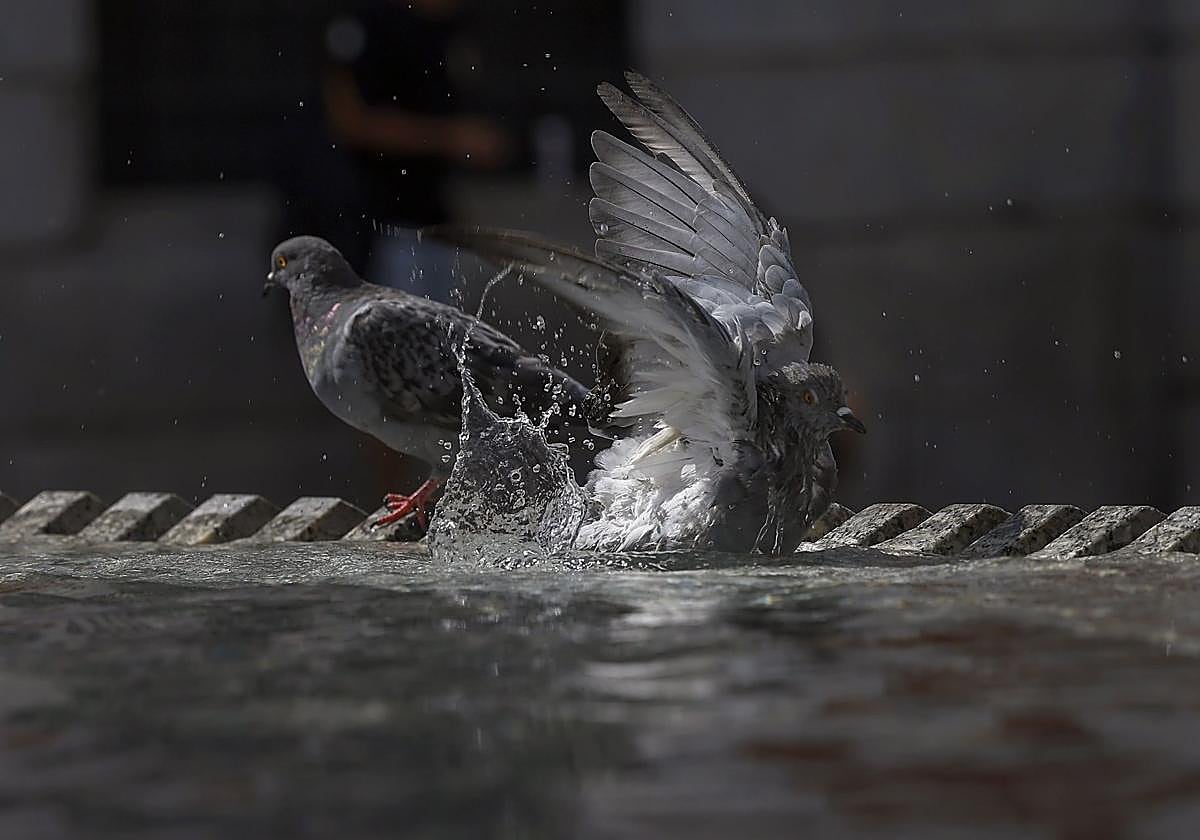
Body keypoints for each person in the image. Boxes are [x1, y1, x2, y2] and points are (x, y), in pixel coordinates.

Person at [321, 0, 510, 300]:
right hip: (378, 222)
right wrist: (450, 137)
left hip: (434, 223)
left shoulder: (449, 32)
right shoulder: (370, 26)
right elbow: (351, 123)